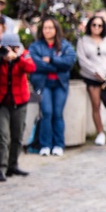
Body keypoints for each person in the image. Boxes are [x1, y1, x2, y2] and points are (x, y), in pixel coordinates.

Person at [0, 32, 36, 182]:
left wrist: (17, 58)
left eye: (12, 48)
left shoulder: (24, 54)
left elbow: (31, 68)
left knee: (17, 135)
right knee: (1, 135)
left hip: (19, 101)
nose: (9, 51)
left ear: (17, 47)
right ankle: (0, 169)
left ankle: (12, 165)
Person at [28, 16, 77, 157]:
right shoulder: (36, 46)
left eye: (50, 28)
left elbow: (69, 61)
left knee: (57, 114)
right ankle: (45, 145)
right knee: (47, 113)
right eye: (45, 28)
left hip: (60, 84)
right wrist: (57, 65)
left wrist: (51, 60)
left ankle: (58, 145)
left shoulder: (65, 45)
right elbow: (35, 64)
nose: (47, 30)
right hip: (44, 84)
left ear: (56, 29)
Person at [76, 15, 106, 146]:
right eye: (94, 25)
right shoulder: (83, 40)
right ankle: (100, 133)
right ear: (89, 26)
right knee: (96, 105)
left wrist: (105, 72)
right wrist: (95, 72)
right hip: (92, 77)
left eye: (100, 25)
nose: (97, 28)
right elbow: (82, 60)